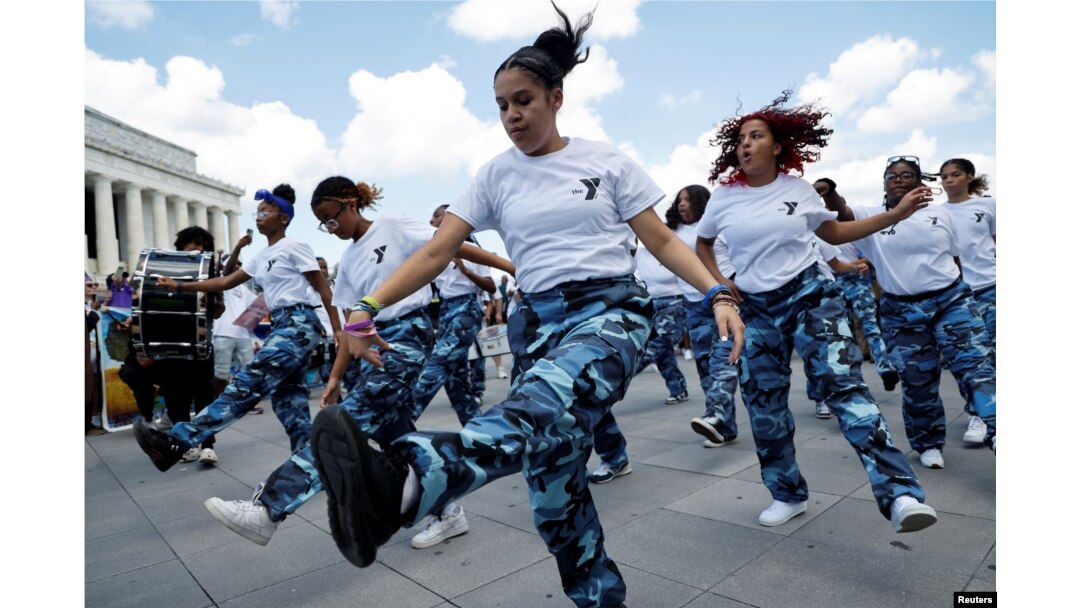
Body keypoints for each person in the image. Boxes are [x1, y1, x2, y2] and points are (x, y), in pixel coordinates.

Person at [308, 6, 742, 606]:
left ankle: (408, 480)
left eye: (524, 101)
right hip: (535, 322)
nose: (512, 115)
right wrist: (364, 306)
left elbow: (663, 240)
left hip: (610, 310)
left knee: (538, 403)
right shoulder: (494, 176)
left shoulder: (605, 161)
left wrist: (716, 291)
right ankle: (599, 599)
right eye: (502, 106)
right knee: (553, 489)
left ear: (556, 98)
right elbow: (438, 252)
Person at [199, 179, 512, 548]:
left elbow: (451, 244)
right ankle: (447, 511)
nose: (331, 230)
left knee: (346, 425)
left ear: (350, 205)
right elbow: (351, 324)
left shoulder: (392, 226)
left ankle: (268, 508)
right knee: (396, 434)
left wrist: (510, 265)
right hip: (370, 347)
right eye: (323, 225)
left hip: (406, 337)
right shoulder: (347, 260)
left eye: (332, 219)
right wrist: (334, 376)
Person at [695, 91, 937, 533]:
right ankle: (787, 494)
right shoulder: (723, 197)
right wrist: (721, 287)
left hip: (810, 295)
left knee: (844, 388)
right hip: (756, 308)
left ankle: (900, 492)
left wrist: (897, 213)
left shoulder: (797, 190)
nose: (745, 145)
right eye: (740, 139)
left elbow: (837, 230)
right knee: (763, 406)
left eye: (756, 136)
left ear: (777, 146)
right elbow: (703, 244)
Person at [131, 184, 339, 471]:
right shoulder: (261, 257)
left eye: (266, 211)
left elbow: (324, 290)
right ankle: (309, 463)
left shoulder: (295, 247)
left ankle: (177, 442)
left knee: (246, 384)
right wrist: (180, 284)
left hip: (299, 323)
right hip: (283, 323)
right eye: (257, 212)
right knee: (289, 401)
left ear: (284, 219)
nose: (259, 216)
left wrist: (339, 331)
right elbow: (225, 281)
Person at [823, 156, 997, 468]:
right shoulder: (872, 216)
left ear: (919, 183)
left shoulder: (942, 214)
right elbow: (841, 212)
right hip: (900, 309)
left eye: (907, 175)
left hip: (950, 301)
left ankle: (997, 429)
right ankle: (928, 443)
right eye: (892, 176)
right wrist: (830, 190)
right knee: (919, 380)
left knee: (975, 367)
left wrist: (959, 292)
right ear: (885, 184)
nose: (899, 179)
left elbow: (954, 258)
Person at [118, 227, 224, 463]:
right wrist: (131, 324)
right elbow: (145, 306)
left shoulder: (210, 274)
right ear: (181, 246)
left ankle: (208, 444)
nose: (199, 248)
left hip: (200, 345)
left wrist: (213, 294)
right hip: (171, 346)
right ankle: (186, 444)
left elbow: (218, 311)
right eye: (194, 243)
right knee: (177, 398)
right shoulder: (161, 272)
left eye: (204, 245)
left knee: (205, 396)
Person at [666, 185, 742, 449]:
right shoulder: (672, 231)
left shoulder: (715, 226)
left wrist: (731, 283)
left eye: (687, 200)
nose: (681, 204)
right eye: (679, 200)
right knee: (704, 365)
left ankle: (717, 415)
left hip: (723, 300)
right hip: (693, 304)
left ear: (701, 202)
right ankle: (725, 428)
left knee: (723, 358)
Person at [812, 178, 900, 402]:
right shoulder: (818, 229)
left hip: (854, 281)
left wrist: (863, 262)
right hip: (834, 283)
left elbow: (869, 252)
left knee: (864, 328)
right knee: (843, 335)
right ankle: (857, 378)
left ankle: (883, 368)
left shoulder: (853, 229)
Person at [939, 158, 996, 445]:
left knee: (995, 355)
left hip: (992, 287)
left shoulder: (988, 206)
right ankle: (977, 414)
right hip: (958, 294)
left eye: (955, 175)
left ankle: (994, 413)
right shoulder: (936, 213)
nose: (948, 181)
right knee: (968, 358)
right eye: (944, 176)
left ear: (969, 177)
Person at [85, 274, 109, 436]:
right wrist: (93, 311)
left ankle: (92, 420)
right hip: (84, 355)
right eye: (89, 285)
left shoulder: (89, 304)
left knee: (92, 387)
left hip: (94, 354)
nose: (94, 288)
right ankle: (85, 425)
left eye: (94, 285)